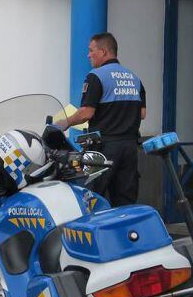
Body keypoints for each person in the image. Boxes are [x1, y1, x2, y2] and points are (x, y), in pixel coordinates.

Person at [55, 32, 145, 206]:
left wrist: (64, 123)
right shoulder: (134, 78)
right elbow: (142, 114)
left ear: (103, 52)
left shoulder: (96, 76)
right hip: (130, 148)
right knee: (125, 202)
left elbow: (86, 113)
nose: (88, 55)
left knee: (91, 199)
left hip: (102, 149)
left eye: (91, 50)